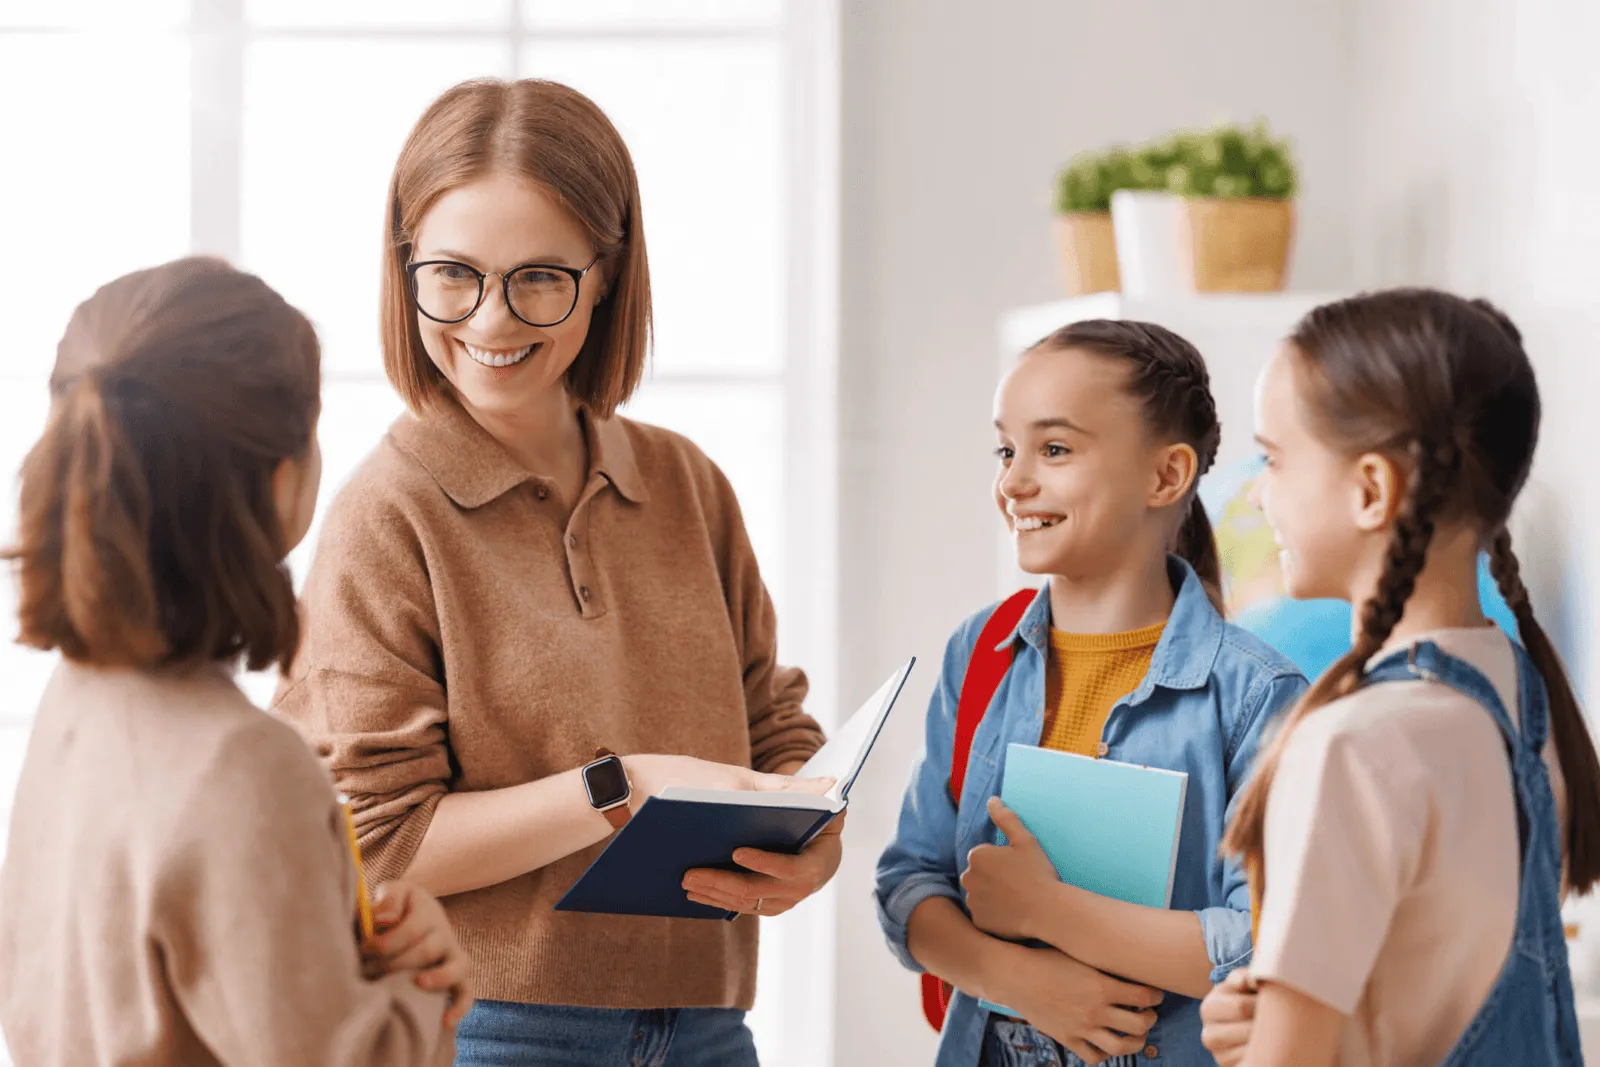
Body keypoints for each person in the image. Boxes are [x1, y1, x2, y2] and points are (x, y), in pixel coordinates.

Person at [271, 77, 837, 1066]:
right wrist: (620, 787)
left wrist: (809, 835)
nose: (490, 319)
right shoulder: (388, 512)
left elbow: (771, 725)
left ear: (608, 273)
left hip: (708, 1025)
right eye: (451, 274)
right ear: (403, 268)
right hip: (491, 1031)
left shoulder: (683, 482)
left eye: (540, 277)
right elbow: (374, 840)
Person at [0, 257, 470, 1065]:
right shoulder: (243, 768)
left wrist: (347, 953)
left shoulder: (77, 699)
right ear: (281, 481)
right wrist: (426, 995)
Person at [876, 320, 1308, 1067]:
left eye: (1054, 449)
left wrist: (1052, 912)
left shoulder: (1256, 697)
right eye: (1006, 450)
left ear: (1165, 476)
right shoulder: (978, 653)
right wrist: (1017, 975)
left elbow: (1267, 948)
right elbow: (908, 884)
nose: (1013, 481)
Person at [1201, 289, 1600, 1067]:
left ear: (1372, 489)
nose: (1257, 491)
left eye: (1274, 458)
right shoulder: (1524, 700)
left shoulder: (1352, 746)